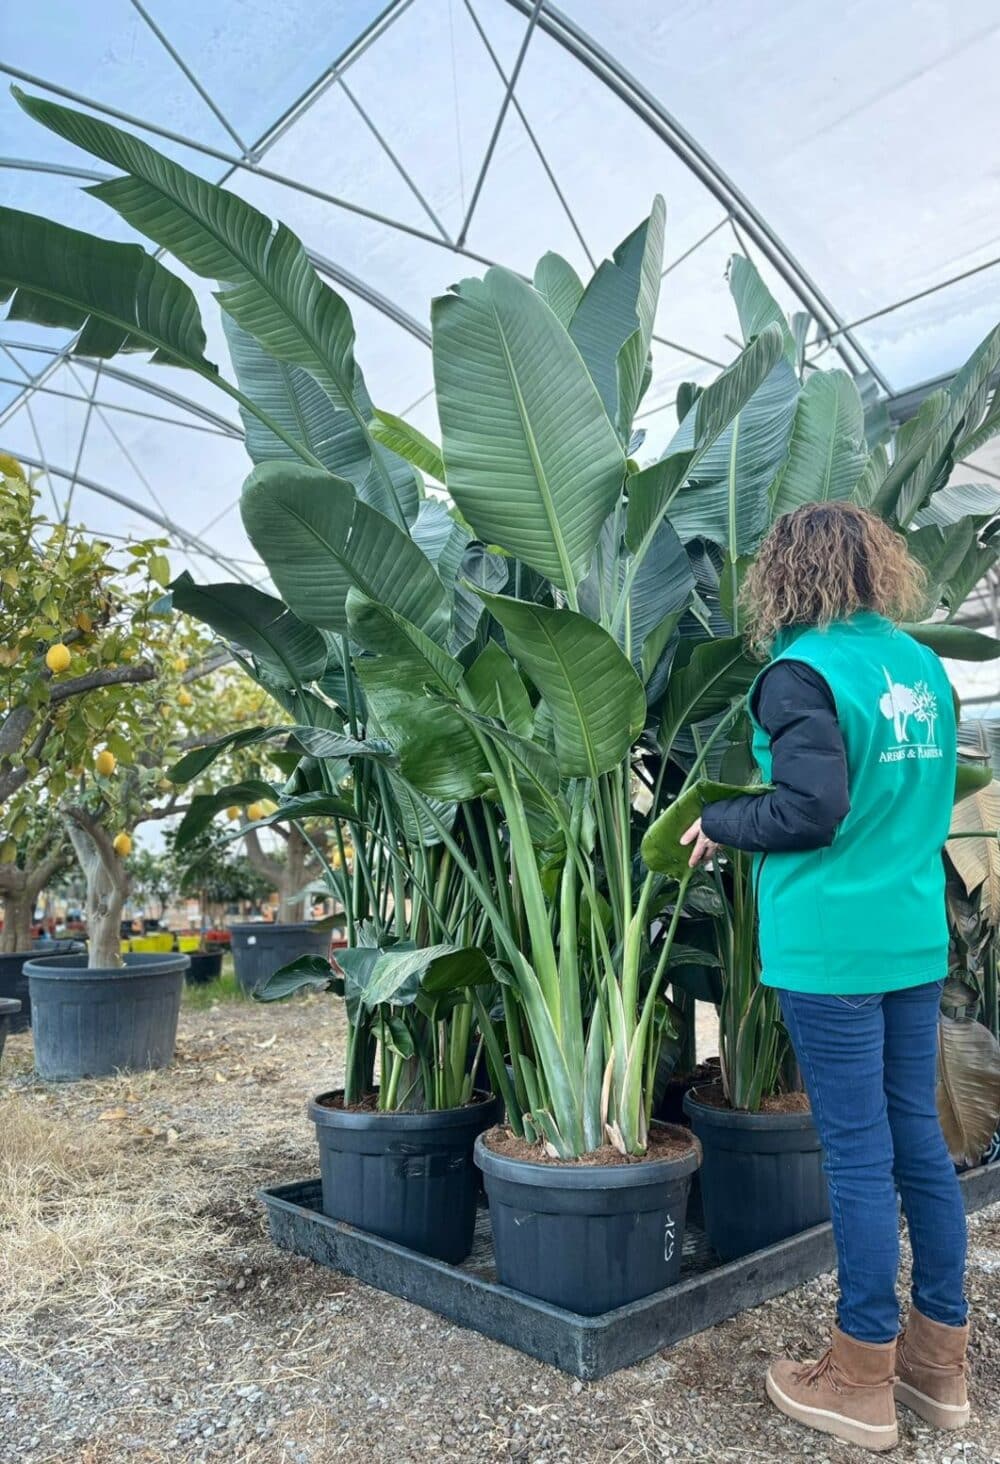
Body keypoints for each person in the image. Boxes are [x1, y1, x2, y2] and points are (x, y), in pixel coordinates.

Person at [681, 502, 969, 1454]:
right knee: (918, 1143)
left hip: (834, 947)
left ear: (787, 575)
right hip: (910, 938)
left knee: (854, 1152)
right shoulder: (923, 668)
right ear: (875, 569)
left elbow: (811, 810)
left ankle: (860, 1377)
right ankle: (939, 1364)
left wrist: (720, 822)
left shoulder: (799, 672)